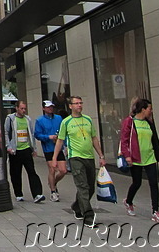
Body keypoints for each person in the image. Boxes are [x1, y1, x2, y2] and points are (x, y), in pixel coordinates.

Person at [51, 96, 106, 228]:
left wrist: (101, 155)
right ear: (70, 106)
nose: (79, 105)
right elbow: (60, 140)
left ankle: (77, 206)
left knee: (90, 187)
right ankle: (88, 216)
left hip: (89, 157)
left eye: (81, 103)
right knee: (83, 186)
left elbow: (94, 138)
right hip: (75, 157)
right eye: (76, 103)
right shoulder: (66, 122)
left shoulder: (88, 120)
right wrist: (55, 158)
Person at [121, 98, 159, 223]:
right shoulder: (130, 122)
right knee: (137, 183)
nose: (151, 111)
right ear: (143, 109)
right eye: (149, 109)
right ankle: (128, 201)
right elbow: (124, 140)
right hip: (136, 158)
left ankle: (155, 211)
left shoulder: (149, 122)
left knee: (153, 183)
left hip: (150, 157)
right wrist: (127, 155)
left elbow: (154, 139)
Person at [4, 101, 45, 203]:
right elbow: (5, 132)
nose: (23, 111)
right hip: (15, 150)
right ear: (16, 108)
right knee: (16, 173)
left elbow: (30, 133)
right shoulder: (10, 119)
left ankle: (37, 194)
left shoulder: (27, 119)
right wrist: (8, 147)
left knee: (32, 171)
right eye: (21, 108)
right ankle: (18, 193)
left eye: (24, 109)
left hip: (26, 149)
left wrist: (34, 148)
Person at [34, 100, 67, 202]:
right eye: (48, 107)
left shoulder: (59, 118)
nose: (50, 109)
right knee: (52, 169)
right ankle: (53, 191)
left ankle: (53, 182)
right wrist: (49, 137)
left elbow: (63, 132)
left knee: (63, 170)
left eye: (51, 107)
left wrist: (65, 145)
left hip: (59, 147)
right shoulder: (40, 120)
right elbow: (37, 135)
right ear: (44, 108)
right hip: (48, 148)